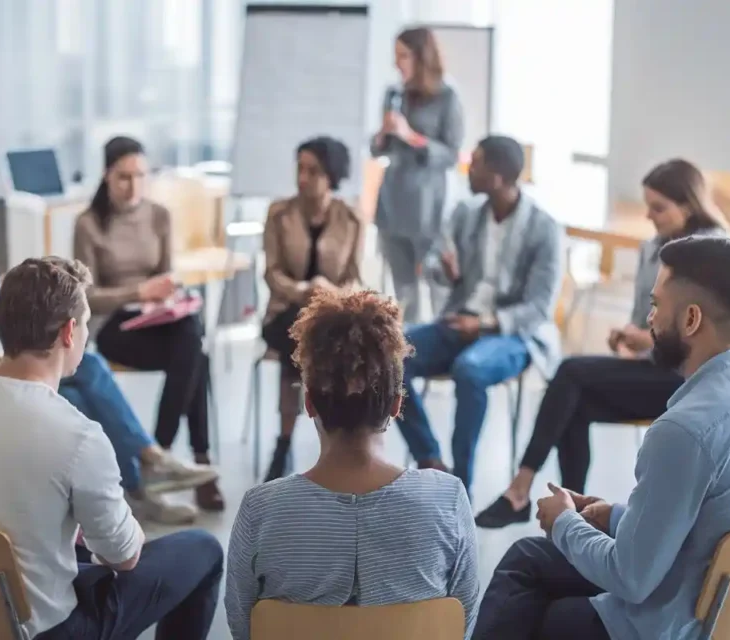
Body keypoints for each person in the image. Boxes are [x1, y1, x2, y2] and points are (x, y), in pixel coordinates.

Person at [474, 235, 730, 639]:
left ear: (690, 319)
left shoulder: (684, 430)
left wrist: (564, 522)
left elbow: (630, 578)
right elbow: (718, 523)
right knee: (529, 558)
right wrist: (615, 516)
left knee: (537, 599)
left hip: (676, 625)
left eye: (655, 306)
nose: (649, 320)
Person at [0, 257, 223, 640]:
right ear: (69, 331)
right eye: (87, 323)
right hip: (43, 631)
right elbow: (124, 556)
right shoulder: (78, 436)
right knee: (204, 549)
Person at [0, 166, 218, 522]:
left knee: (185, 343)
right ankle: (143, 471)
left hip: (0, 345)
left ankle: (139, 479)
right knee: (80, 383)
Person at [475, 158, 730, 528]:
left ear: (689, 205)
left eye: (659, 208)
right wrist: (631, 334)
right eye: (648, 206)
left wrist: (647, 337)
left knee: (570, 373)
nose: (650, 216)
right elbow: (648, 317)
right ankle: (571, 516)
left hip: (689, 378)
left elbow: (704, 333)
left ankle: (521, 488)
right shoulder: (651, 248)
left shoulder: (714, 252)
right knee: (574, 403)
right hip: (654, 365)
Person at [226, 291, 480, 640]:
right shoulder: (447, 498)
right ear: (396, 404)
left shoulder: (261, 510)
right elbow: (460, 625)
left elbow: (243, 628)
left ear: (309, 403)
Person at [395, 135, 563, 499]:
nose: (468, 167)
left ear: (499, 175)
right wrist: (443, 270)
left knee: (469, 370)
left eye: (478, 161)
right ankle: (431, 462)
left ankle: (460, 488)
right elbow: (438, 270)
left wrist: (485, 324)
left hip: (511, 335)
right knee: (389, 353)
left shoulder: (544, 229)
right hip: (458, 321)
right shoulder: (465, 213)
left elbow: (538, 308)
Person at [74, 136, 223, 511]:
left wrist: (168, 295)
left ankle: (161, 451)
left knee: (191, 340)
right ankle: (190, 460)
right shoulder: (89, 223)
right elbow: (86, 296)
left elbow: (166, 276)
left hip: (157, 320)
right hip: (112, 326)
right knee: (195, 356)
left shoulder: (159, 215)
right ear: (107, 175)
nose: (134, 185)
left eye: (141, 176)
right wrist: (139, 292)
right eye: (124, 177)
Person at [261, 136, 364, 481]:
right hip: (285, 312)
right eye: (300, 169)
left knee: (329, 337)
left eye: (313, 171)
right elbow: (272, 273)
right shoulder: (279, 213)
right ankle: (318, 437)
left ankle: (290, 441)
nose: (303, 178)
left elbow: (356, 279)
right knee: (305, 336)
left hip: (331, 313)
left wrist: (330, 293)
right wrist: (305, 290)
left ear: (332, 175)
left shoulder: (351, 218)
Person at [371, 26, 465, 324]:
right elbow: (377, 150)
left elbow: (451, 154)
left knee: (437, 287)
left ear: (421, 57)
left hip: (428, 207)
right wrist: (383, 134)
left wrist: (411, 136)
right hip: (393, 201)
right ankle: (407, 359)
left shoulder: (448, 96)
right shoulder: (394, 94)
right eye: (395, 55)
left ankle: (438, 351)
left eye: (403, 55)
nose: (397, 63)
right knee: (403, 292)